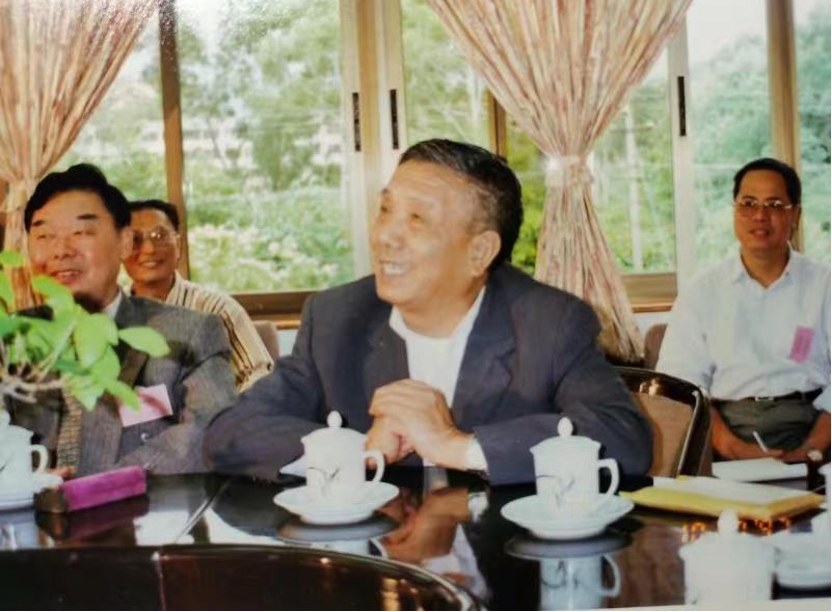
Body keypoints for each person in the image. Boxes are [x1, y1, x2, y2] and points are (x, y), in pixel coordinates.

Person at [205, 139, 652, 485]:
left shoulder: (549, 322)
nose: (385, 236)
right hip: (378, 563)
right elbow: (231, 432)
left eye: (416, 219)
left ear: (480, 252)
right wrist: (355, 451)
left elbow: (623, 437)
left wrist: (457, 446)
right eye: (386, 210)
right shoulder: (338, 318)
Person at [11, 164, 237, 476]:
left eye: (81, 232)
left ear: (125, 243)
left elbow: (212, 430)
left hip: (141, 507)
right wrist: (21, 482)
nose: (60, 251)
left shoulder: (188, 334)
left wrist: (92, 489)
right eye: (44, 235)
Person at [657, 158, 830, 461]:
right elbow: (679, 383)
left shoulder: (825, 284)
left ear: (795, 216)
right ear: (735, 212)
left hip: (815, 427)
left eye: (774, 204)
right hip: (725, 433)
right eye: (748, 204)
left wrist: (814, 446)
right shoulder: (702, 292)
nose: (760, 215)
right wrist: (730, 447)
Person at [124, 199, 273, 391]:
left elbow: (260, 380)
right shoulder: (109, 315)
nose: (149, 249)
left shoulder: (217, 310)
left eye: (159, 236)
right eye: (135, 239)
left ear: (178, 245)